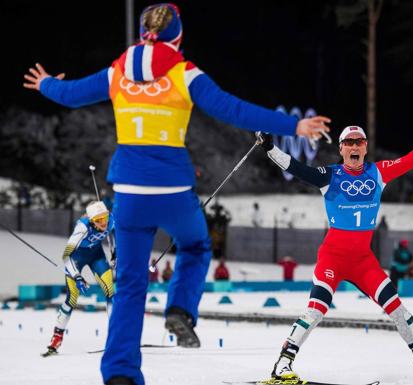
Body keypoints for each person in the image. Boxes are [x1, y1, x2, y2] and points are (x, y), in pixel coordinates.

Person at [23, 4, 330, 384]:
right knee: (196, 246)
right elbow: (234, 110)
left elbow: (71, 94)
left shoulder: (116, 72)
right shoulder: (185, 74)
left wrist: (45, 84)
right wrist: (294, 125)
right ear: (178, 36)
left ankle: (120, 374)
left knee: (130, 285)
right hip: (173, 191)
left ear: (141, 33)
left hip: (130, 196)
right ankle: (181, 311)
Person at [261, 121, 413, 385]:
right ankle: (283, 363)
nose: (354, 147)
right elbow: (296, 168)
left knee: (397, 308)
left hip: (362, 262)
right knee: (316, 310)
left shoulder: (378, 172)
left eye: (359, 142)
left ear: (365, 148)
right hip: (333, 257)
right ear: (341, 149)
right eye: (349, 143)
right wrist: (270, 148)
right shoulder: (329, 175)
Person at [42, 201, 115, 357]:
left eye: (105, 218)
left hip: (97, 256)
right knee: (72, 297)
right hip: (76, 260)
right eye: (99, 220)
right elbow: (66, 255)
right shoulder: (82, 228)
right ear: (91, 221)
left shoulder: (110, 219)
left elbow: (112, 233)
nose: (103, 223)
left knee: (110, 291)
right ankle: (56, 337)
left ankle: (117, 336)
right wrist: (77, 276)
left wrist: (115, 253)